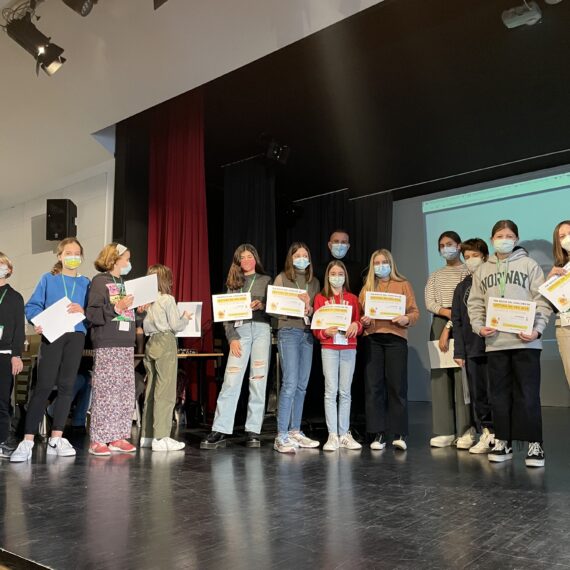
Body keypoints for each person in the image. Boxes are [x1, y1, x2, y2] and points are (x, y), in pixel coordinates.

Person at [468, 220, 552, 467]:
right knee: (499, 396)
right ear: (492, 239)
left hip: (526, 343)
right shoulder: (483, 270)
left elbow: (542, 301)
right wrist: (479, 326)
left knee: (528, 395)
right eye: (499, 235)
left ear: (516, 239)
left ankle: (535, 444)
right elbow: (475, 303)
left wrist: (537, 330)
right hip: (496, 343)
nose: (504, 239)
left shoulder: (529, 265)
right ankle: (502, 440)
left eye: (509, 236)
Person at [11, 238, 89, 462]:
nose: (73, 257)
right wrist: (37, 321)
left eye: (76, 253)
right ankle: (27, 440)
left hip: (76, 336)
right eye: (68, 253)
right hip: (52, 335)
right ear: (60, 256)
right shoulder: (48, 279)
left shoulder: (86, 282)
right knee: (44, 386)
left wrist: (83, 310)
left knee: (67, 386)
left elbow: (93, 312)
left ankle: (56, 438)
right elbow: (32, 306)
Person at [201, 245, 272, 449]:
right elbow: (225, 316)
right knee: (231, 381)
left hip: (261, 330)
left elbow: (275, 309)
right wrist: (232, 338)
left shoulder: (266, 280)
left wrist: (262, 305)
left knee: (258, 380)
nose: (247, 260)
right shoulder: (233, 283)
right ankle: (220, 429)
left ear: (255, 258)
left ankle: (253, 430)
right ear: (238, 261)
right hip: (240, 334)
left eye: (250, 256)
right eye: (243, 257)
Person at [359, 249, 419, 451]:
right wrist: (364, 321)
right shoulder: (368, 287)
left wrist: (406, 319)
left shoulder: (403, 284)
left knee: (397, 386)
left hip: (396, 339)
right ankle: (378, 433)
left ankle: (400, 433)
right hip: (372, 339)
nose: (380, 266)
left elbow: (415, 312)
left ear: (391, 264)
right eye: (376, 263)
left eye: (384, 262)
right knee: (373, 386)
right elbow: (360, 314)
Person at [86, 243, 139, 456]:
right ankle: (98, 439)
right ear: (115, 259)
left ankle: (118, 436)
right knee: (106, 392)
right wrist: (117, 307)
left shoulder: (125, 284)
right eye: (126, 258)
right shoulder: (100, 281)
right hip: (107, 342)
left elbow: (127, 314)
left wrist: (138, 309)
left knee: (124, 392)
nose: (129, 262)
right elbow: (92, 314)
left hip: (126, 342)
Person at [271, 242, 320, 453]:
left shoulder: (314, 282)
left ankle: (294, 430)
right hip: (288, 332)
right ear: (291, 259)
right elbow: (273, 309)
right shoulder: (282, 278)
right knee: (290, 383)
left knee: (301, 385)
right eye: (297, 255)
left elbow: (316, 311)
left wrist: (309, 308)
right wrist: (289, 306)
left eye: (305, 255)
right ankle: (281, 435)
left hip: (307, 333)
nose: (302, 258)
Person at [425, 231, 471, 449]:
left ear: (459, 246)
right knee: (440, 378)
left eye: (449, 244)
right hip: (439, 322)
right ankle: (445, 430)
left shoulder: (468, 270)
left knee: (462, 377)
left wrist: (453, 318)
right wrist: (447, 314)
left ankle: (466, 430)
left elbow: (466, 301)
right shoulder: (435, 275)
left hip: (462, 323)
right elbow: (429, 302)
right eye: (442, 245)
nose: (446, 248)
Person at [313, 260, 363, 451]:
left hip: (349, 347)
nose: (337, 277)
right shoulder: (320, 298)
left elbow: (359, 323)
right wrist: (324, 332)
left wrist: (356, 325)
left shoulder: (352, 298)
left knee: (345, 392)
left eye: (340, 274)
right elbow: (316, 328)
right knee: (330, 391)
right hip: (329, 347)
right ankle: (332, 434)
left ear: (345, 276)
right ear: (328, 277)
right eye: (333, 274)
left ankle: (344, 434)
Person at [451, 238, 494, 453]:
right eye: (467, 257)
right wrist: (459, 351)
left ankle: (501, 434)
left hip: (496, 347)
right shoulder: (461, 288)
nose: (471, 260)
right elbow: (457, 321)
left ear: (485, 257)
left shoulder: (494, 281)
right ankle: (487, 431)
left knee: (496, 392)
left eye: (475, 256)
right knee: (478, 393)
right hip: (472, 349)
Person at [142, 264, 190, 451]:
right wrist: (185, 317)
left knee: (151, 390)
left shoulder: (147, 303)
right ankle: (161, 437)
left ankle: (147, 435)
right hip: (165, 341)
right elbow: (176, 325)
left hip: (151, 343)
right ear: (165, 280)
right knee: (166, 391)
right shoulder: (167, 299)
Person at [0, 253, 25, 459]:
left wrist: (16, 355)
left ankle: (1, 441)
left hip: (4, 355)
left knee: (1, 401)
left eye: (2, 265)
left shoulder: (15, 297)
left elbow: (19, 330)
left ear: (9, 269)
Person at [546, 220, 570, 388]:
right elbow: (553, 305)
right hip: (566, 327)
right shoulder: (559, 268)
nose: (567, 238)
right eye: (562, 236)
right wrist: (550, 282)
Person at [317, 229, 364, 294]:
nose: (339, 245)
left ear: (348, 246)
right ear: (329, 245)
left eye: (343, 242)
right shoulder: (319, 269)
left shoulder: (359, 269)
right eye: (336, 241)